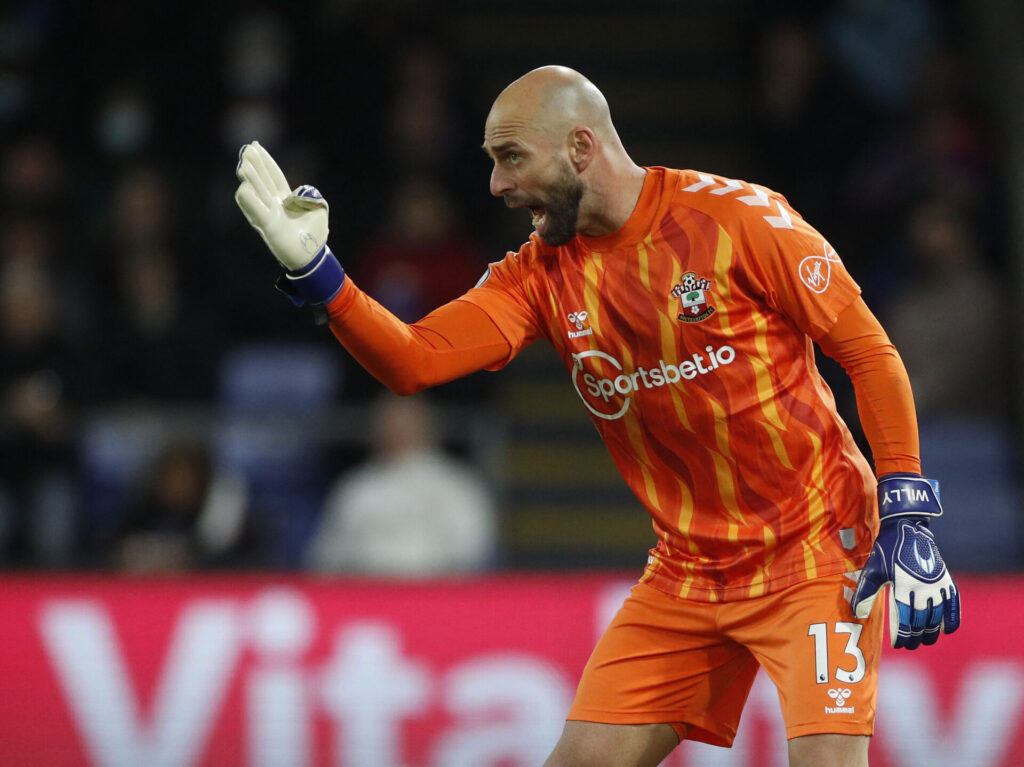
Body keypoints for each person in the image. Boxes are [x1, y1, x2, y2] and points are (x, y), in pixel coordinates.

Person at [235, 65, 960, 767]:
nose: (497, 185)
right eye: (492, 162)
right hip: (688, 568)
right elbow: (414, 360)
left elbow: (869, 352)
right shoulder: (539, 276)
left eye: (512, 158)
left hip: (816, 549)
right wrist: (320, 276)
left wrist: (906, 509)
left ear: (581, 147)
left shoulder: (738, 220)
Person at [305, 392, 496, 576]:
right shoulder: (355, 487)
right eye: (386, 420)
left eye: (404, 418)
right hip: (367, 596)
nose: (394, 427)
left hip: (435, 595)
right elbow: (326, 558)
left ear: (426, 424)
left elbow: (472, 553)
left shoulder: (456, 485)